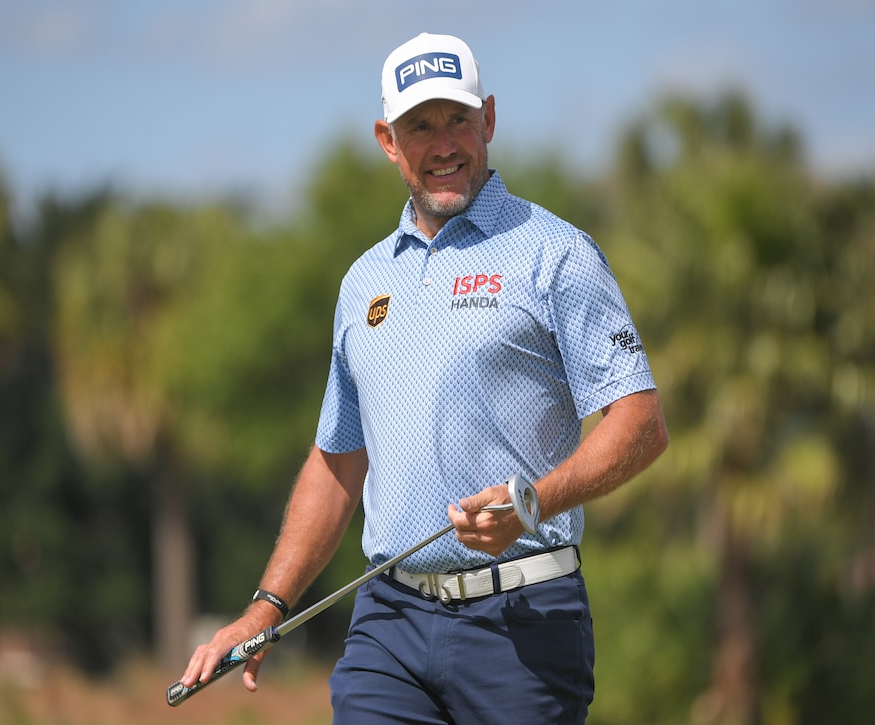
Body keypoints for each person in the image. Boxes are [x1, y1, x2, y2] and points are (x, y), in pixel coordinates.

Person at [181, 32, 668, 723]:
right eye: (420, 125)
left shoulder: (555, 254)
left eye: (458, 120)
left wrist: (534, 501)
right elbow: (338, 460)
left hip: (523, 622)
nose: (443, 144)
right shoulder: (363, 284)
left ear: (489, 120)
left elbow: (641, 425)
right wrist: (265, 606)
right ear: (388, 139)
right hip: (391, 623)